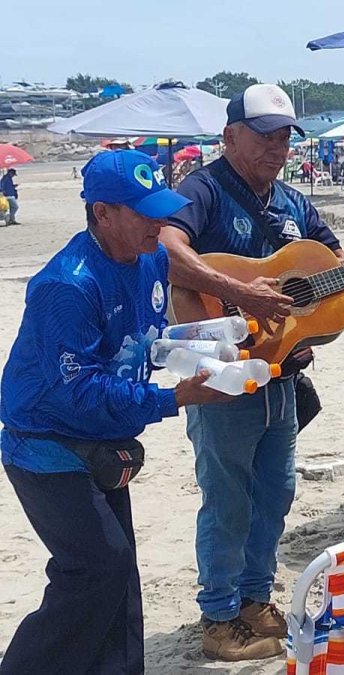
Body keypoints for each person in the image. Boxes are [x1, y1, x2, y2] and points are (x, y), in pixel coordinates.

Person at [159, 84, 344, 661]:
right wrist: (240, 291)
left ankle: (252, 601)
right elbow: (166, 252)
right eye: (264, 135)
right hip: (223, 375)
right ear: (230, 136)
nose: (276, 146)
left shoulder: (294, 205)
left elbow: (342, 271)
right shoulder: (203, 191)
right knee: (226, 496)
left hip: (283, 374)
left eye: (285, 136)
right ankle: (218, 615)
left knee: (274, 490)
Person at [0, 150, 229, 674]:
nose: (160, 223)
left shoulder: (150, 258)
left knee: (119, 571)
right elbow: (78, 390)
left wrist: (208, 347)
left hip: (104, 438)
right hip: (46, 443)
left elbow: (141, 343)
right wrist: (175, 399)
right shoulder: (67, 285)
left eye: (162, 210)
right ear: (103, 214)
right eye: (144, 212)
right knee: (94, 568)